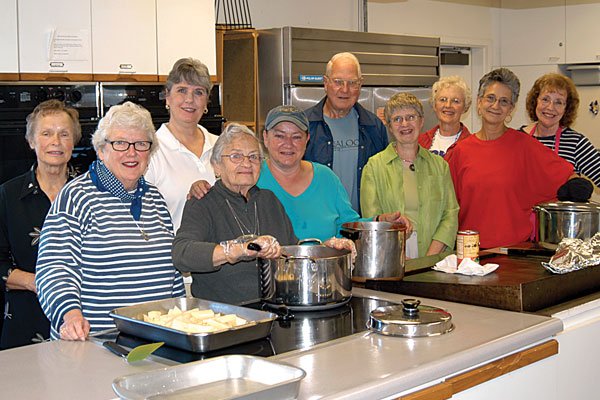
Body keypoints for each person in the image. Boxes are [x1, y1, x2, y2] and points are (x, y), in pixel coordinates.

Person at [36, 102, 185, 341]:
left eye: (141, 144)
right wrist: (69, 315)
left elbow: (172, 273)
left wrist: (181, 318)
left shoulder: (155, 199)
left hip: (154, 340)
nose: (132, 152)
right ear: (101, 150)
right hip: (95, 342)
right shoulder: (76, 197)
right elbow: (55, 269)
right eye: (120, 143)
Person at [446, 68, 593, 249]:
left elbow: (567, 177)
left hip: (515, 253)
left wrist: (576, 188)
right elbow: (447, 208)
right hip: (470, 253)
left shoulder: (525, 146)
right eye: (490, 98)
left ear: (511, 109)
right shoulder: (460, 152)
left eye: (504, 101)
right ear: (479, 102)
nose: (496, 105)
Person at [172, 123, 296, 305]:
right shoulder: (203, 201)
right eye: (235, 156)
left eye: (253, 157)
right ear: (216, 166)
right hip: (223, 316)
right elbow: (182, 254)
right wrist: (234, 250)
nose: (246, 163)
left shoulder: (269, 200)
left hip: (277, 309)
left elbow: (292, 250)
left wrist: (326, 246)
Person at [258, 105, 411, 242]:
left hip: (325, 270)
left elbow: (347, 227)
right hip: (267, 272)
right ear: (265, 138)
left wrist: (379, 221)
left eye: (297, 137)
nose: (288, 143)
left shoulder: (326, 177)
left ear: (307, 139)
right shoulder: (253, 178)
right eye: (279, 135)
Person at [0, 100, 80, 349]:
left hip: (83, 319)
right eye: (46, 133)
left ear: (74, 142)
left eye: (64, 134)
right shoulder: (7, 195)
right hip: (26, 320)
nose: (56, 141)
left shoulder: (90, 193)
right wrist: (40, 282)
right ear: (31, 141)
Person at [361, 93, 458, 259]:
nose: (404, 124)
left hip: (434, 256)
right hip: (389, 257)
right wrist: (398, 257)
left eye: (410, 117)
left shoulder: (440, 166)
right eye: (397, 119)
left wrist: (428, 259)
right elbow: (372, 221)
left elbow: (450, 215)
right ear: (390, 127)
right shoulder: (374, 167)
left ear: (421, 121)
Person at [304, 52, 388, 213]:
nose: (345, 89)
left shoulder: (374, 127)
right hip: (319, 223)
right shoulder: (305, 126)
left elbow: (385, 180)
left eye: (352, 82)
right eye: (338, 82)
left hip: (363, 225)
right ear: (325, 83)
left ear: (360, 85)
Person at [145, 57, 219, 230]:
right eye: (182, 90)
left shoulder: (221, 147)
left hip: (221, 254)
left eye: (199, 92)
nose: (189, 100)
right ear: (167, 97)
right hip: (171, 255)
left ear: (207, 101)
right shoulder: (150, 151)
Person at [520, 73, 599, 187]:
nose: (550, 107)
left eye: (558, 102)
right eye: (545, 99)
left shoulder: (576, 143)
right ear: (535, 101)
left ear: (566, 108)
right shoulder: (519, 138)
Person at [419, 76, 472, 157]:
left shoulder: (471, 145)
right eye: (443, 99)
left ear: (465, 107)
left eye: (455, 101)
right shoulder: (420, 141)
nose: (448, 105)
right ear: (434, 104)